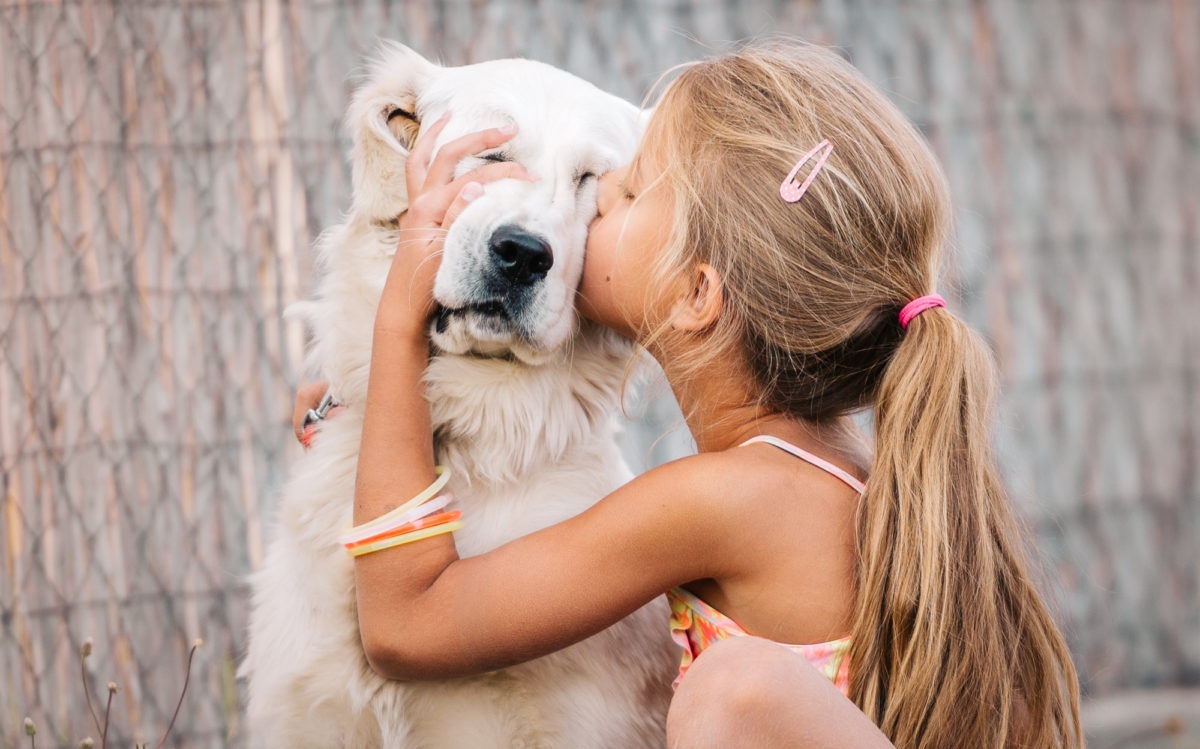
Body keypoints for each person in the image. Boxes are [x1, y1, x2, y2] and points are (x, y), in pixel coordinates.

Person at [292, 42, 1083, 747]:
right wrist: (370, 410)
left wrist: (399, 324)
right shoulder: (824, 471)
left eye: (623, 192)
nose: (591, 207)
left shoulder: (723, 499)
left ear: (697, 293)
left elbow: (409, 624)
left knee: (733, 695)